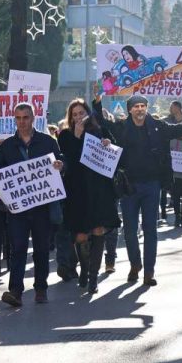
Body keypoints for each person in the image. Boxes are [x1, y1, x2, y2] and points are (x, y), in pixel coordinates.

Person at [93, 92, 182, 286]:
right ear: (130, 110)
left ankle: (149, 271)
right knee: (130, 231)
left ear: (147, 108)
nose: (140, 109)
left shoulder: (159, 127)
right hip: (129, 187)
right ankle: (136, 264)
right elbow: (102, 123)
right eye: (136, 106)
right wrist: (97, 103)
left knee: (151, 230)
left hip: (152, 185)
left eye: (143, 106)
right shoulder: (122, 127)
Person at [0, 103, 64, 306]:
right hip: (18, 209)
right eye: (18, 118)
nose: (22, 122)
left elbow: (62, 162)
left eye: (25, 117)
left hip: (42, 207)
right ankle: (16, 291)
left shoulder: (48, 142)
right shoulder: (7, 146)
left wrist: (60, 165)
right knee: (17, 248)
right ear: (15, 120)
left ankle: (40, 289)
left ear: (33, 118)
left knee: (41, 249)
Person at [57, 99, 119, 293]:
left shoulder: (99, 131)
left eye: (81, 113)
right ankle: (84, 268)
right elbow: (69, 161)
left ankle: (93, 277)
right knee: (81, 235)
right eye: (74, 115)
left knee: (99, 230)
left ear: (88, 114)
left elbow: (114, 153)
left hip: (99, 190)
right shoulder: (65, 136)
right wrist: (76, 137)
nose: (78, 117)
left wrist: (108, 144)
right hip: (77, 192)